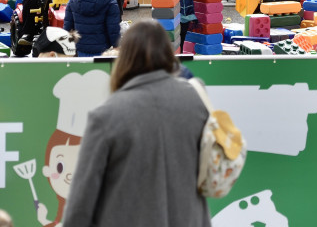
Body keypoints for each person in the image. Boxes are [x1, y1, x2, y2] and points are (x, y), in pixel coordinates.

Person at [63, 20, 211, 226]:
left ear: (125, 57)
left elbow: (81, 201)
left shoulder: (106, 115)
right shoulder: (196, 100)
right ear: (168, 53)